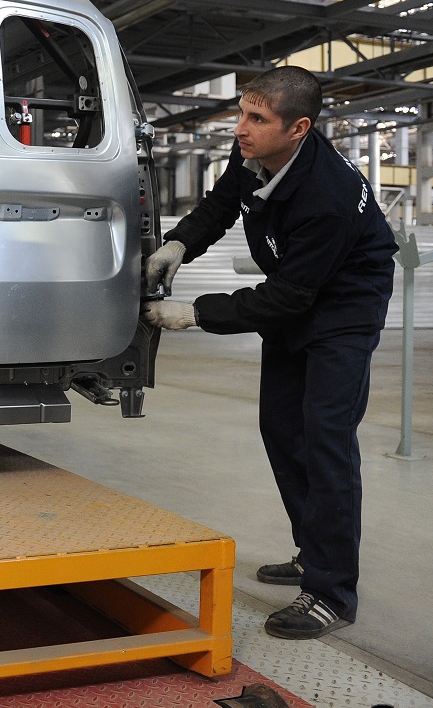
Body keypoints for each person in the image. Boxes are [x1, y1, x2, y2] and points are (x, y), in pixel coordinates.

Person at [141, 66, 397, 641]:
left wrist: (193, 313)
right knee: (281, 426)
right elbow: (220, 205)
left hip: (343, 311)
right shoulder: (256, 156)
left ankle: (332, 592)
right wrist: (178, 244)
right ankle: (313, 552)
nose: (241, 127)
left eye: (257, 118)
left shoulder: (327, 195)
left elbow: (288, 297)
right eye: (241, 112)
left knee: (326, 438)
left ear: (298, 128)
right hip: (296, 295)